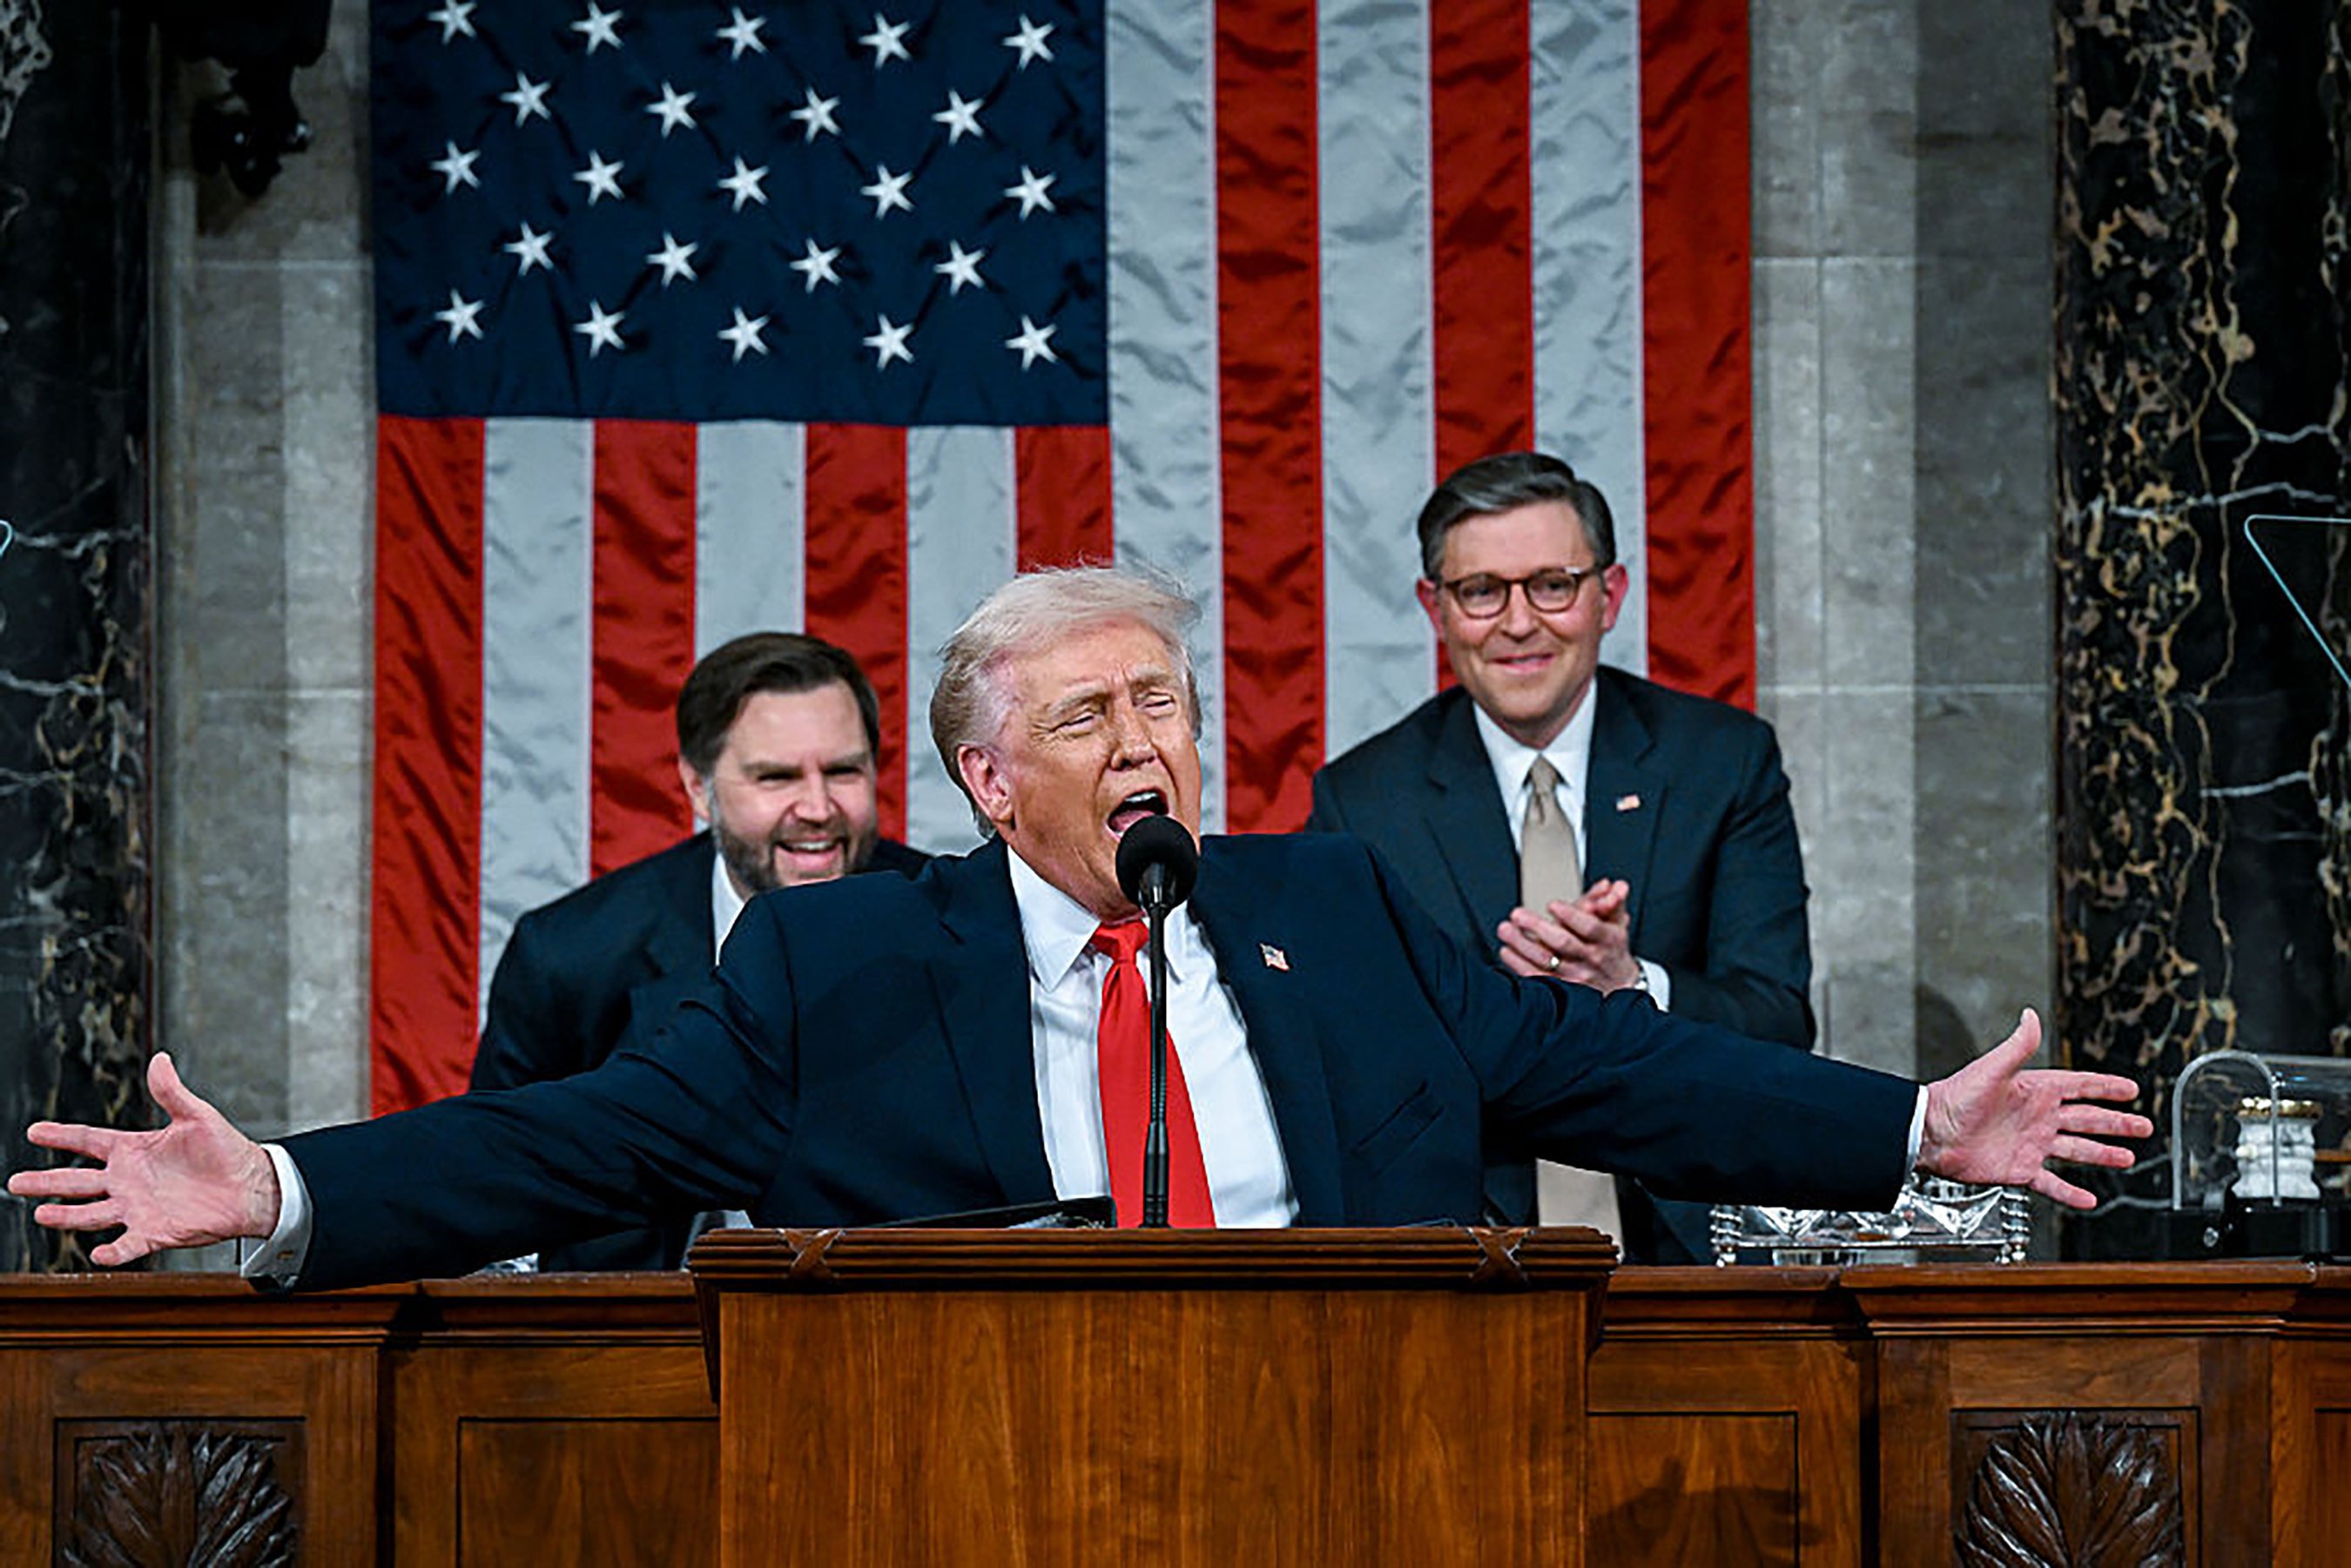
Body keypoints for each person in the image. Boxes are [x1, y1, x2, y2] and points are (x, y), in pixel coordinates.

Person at [10, 569, 2148, 1292]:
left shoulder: (1336, 904)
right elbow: (566, 1143)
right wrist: (284, 1184)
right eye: (1086, 714)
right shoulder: (842, 965)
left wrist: (1900, 1131)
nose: (1145, 740)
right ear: (983, 780)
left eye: (1165, 702)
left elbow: (1611, 1070)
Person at [1310, 452, 1809, 1261]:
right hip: (1467, 1252)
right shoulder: (1363, 800)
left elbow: (1780, 1019)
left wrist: (1631, 987)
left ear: (1608, 596)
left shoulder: (1722, 763)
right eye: (1482, 591)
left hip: (1692, 1246)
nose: (1517, 623)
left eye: (1552, 584)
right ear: (1434, 608)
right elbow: (1346, 1061)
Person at [470, 631, 927, 1270]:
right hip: (637, 1335)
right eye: (777, 777)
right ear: (697, 786)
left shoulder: (954, 925)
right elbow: (497, 1185)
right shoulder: (570, 956)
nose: (818, 808)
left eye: (844, 770)